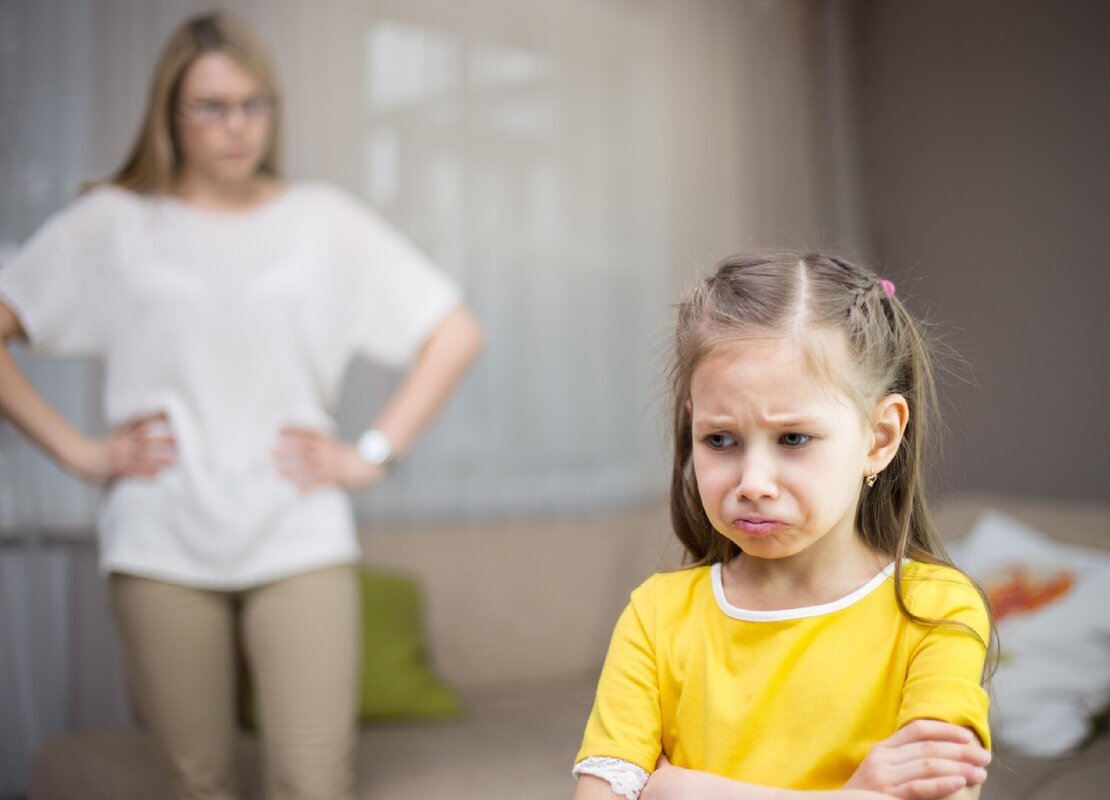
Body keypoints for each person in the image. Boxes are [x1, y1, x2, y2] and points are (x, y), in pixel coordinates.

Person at [0, 11, 482, 800]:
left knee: (312, 780)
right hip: (159, 539)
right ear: (170, 114)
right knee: (200, 783)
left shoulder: (323, 220)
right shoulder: (116, 225)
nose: (237, 126)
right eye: (211, 106)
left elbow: (455, 331)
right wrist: (83, 454)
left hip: (298, 531)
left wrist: (370, 454)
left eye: (254, 104)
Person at [571, 252, 994, 800]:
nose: (753, 482)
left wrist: (675, 789)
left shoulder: (937, 609)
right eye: (719, 440)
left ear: (880, 438)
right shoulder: (656, 617)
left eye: (793, 439)